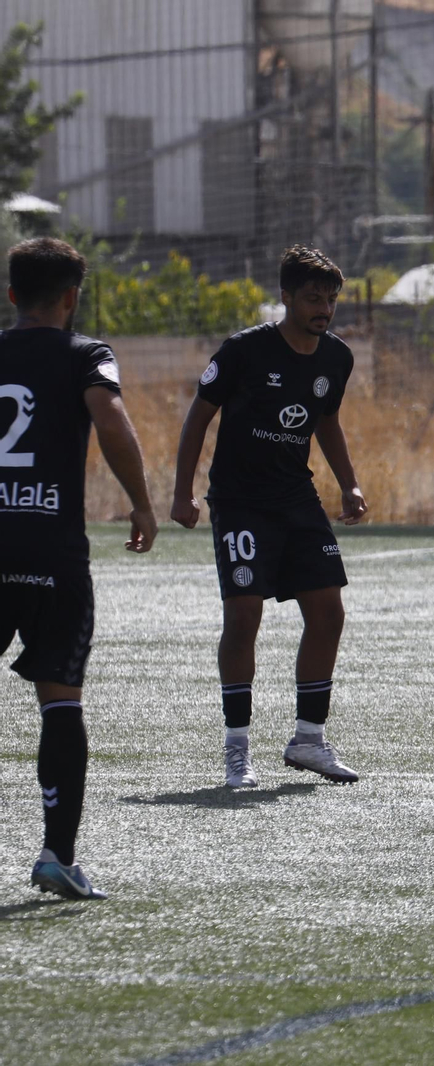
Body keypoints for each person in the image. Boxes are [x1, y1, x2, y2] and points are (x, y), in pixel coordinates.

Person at [171, 246, 367, 789]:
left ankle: (308, 739)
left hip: (296, 499)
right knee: (244, 617)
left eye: (330, 298)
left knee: (328, 613)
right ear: (285, 297)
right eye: (312, 298)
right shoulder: (243, 351)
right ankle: (237, 750)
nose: (323, 307)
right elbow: (198, 418)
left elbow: (326, 420)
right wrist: (183, 491)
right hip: (239, 502)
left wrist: (348, 482)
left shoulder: (336, 358)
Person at [2, 237, 157, 899]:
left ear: (11, 295)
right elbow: (111, 417)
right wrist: (142, 503)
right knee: (60, 702)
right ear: (72, 297)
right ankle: (55, 857)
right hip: (51, 552)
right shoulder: (87, 354)